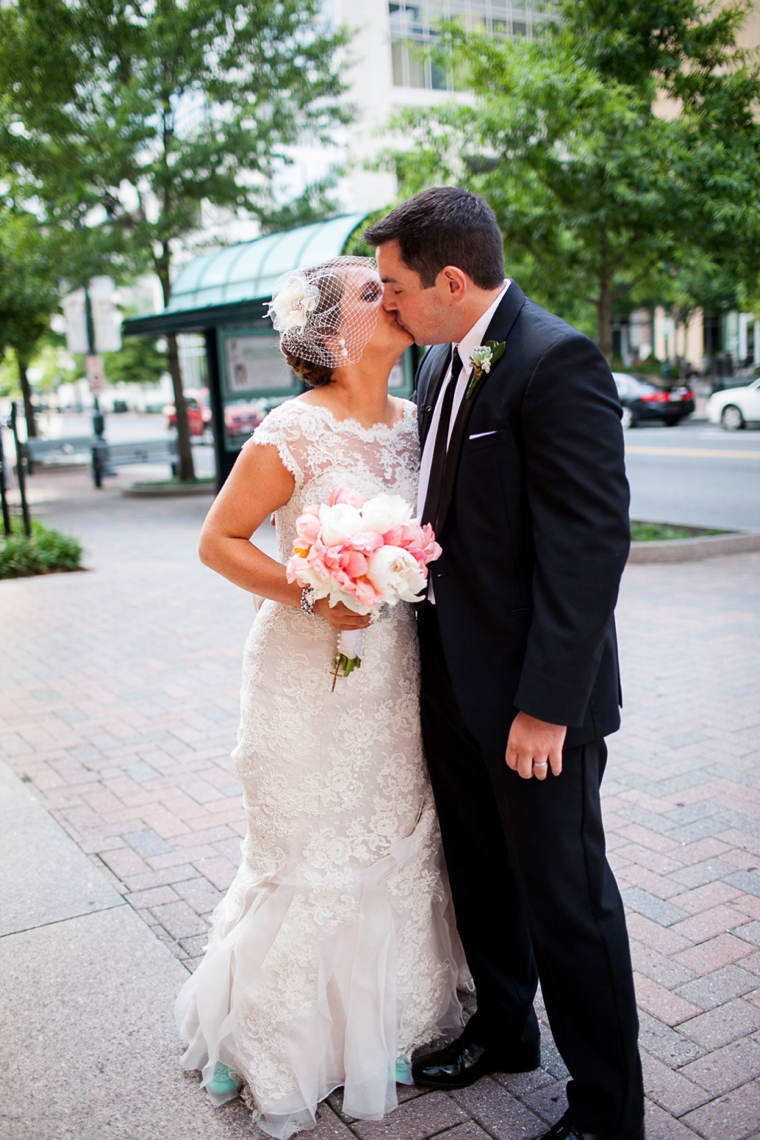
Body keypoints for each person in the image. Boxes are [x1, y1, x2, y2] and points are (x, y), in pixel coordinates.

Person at [365, 188, 645, 1140]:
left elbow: (589, 547)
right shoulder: (446, 356)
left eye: (395, 287)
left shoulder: (554, 358)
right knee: (478, 867)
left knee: (565, 895)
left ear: (449, 279)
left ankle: (608, 1110)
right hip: (447, 665)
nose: (386, 305)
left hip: (533, 692)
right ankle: (504, 1029)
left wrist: (546, 707)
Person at [175, 256, 466, 1140]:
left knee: (391, 833)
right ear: (336, 333)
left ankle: (393, 1028)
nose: (398, 295)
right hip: (304, 674)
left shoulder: (420, 423)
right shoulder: (292, 432)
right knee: (308, 843)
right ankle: (280, 1041)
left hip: (395, 672)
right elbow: (218, 541)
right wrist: (310, 590)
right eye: (375, 292)